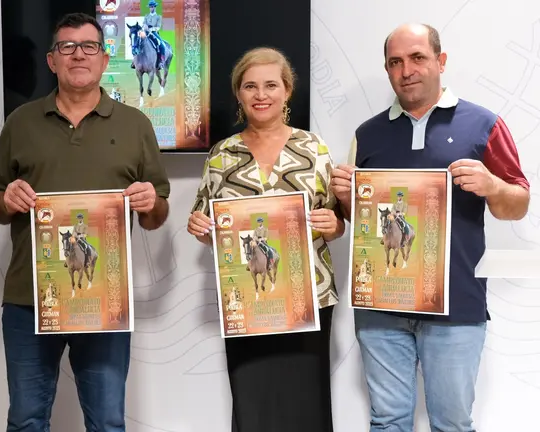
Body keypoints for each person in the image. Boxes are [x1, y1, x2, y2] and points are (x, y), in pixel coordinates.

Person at [330, 23, 530, 432]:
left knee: (453, 423)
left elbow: (519, 205)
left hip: (456, 306)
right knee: (387, 422)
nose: (407, 70)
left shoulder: (484, 124)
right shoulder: (366, 135)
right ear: (387, 70)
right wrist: (347, 198)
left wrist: (492, 186)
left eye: (418, 58)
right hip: (381, 306)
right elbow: (354, 217)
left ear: (440, 61)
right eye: (395, 62)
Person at [0, 12, 170, 432]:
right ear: (52, 61)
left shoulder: (136, 125)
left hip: (105, 300)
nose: (78, 55)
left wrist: (149, 203)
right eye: (66, 47)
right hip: (29, 299)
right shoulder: (21, 122)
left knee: (106, 421)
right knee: (26, 419)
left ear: (105, 60)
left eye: (89, 47)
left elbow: (158, 214)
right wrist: (7, 199)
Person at [187, 47, 343, 432]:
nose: (261, 94)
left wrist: (332, 223)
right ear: (238, 94)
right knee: (252, 400)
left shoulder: (314, 148)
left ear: (287, 90)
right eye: (250, 86)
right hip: (246, 301)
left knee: (306, 401)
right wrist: (199, 228)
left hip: (309, 299)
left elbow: (336, 221)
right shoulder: (221, 155)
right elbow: (209, 226)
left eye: (271, 85)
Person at [130, 0, 166, 70]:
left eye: (152, 7)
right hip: (145, 32)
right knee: (137, 42)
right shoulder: (146, 16)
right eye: (150, 7)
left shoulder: (158, 17)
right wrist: (144, 26)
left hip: (154, 33)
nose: (151, 8)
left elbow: (158, 27)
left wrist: (151, 29)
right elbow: (144, 23)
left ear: (155, 7)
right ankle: (134, 61)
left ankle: (161, 61)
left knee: (162, 45)